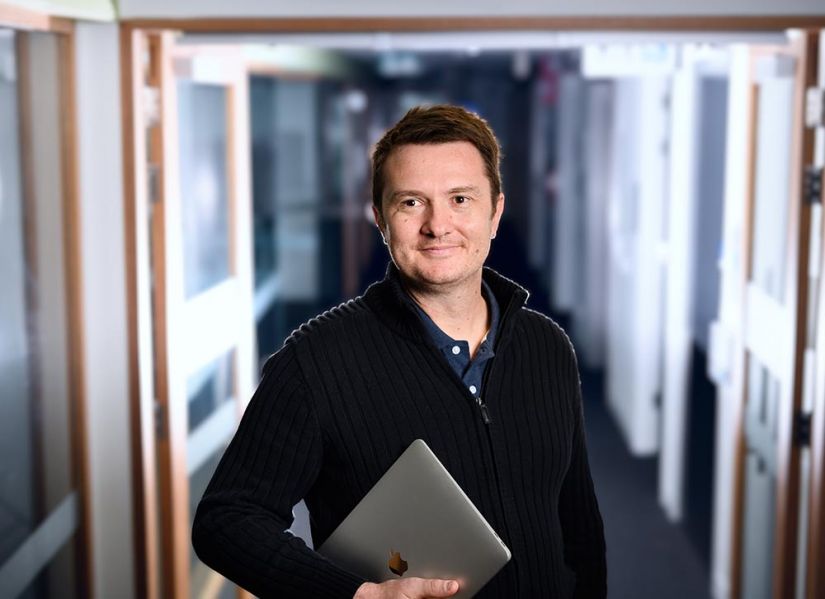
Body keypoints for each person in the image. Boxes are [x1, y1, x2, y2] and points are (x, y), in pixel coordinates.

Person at [192, 104, 606, 598]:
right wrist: (355, 595)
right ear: (380, 219)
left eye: (460, 199)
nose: (438, 225)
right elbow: (227, 521)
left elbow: (578, 526)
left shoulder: (546, 346)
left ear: (494, 213)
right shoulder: (318, 361)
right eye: (411, 202)